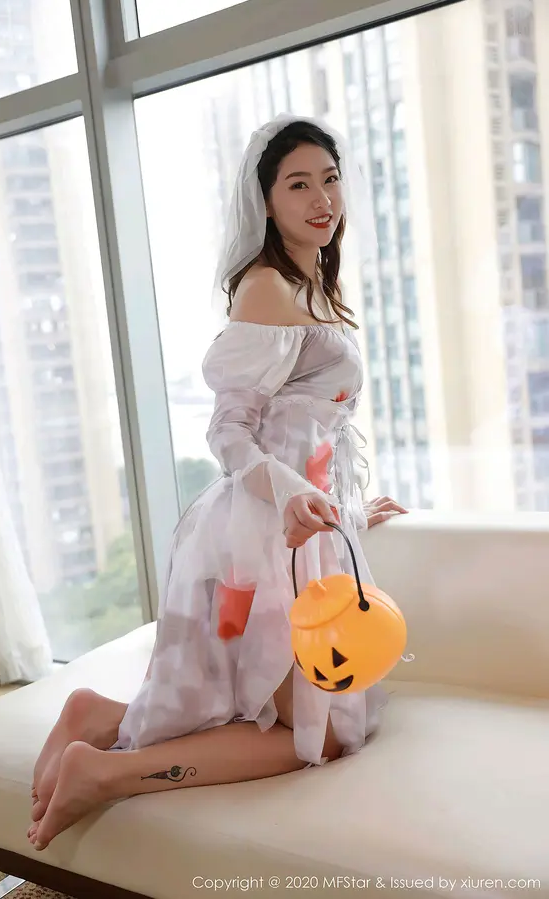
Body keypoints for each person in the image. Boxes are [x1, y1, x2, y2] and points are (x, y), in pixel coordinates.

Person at [27, 113, 408, 851]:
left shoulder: (312, 283)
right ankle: (105, 770)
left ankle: (96, 719)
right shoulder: (267, 287)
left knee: (282, 714)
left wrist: (350, 508)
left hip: (295, 529)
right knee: (318, 733)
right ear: (265, 201)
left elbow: (310, 431)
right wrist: (296, 495)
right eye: (298, 184)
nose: (322, 199)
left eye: (330, 180)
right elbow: (230, 432)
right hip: (263, 536)